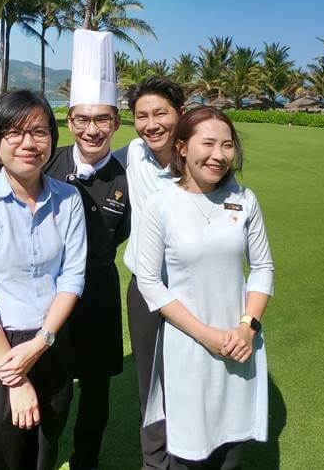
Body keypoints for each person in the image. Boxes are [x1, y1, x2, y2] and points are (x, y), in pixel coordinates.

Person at [0, 89, 87, 470]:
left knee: (44, 453)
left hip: (51, 344)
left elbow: (72, 276)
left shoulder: (69, 199)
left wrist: (42, 341)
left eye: (40, 131)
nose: (29, 143)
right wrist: (15, 379)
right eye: (14, 132)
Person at [137, 106, 274, 469]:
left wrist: (248, 327)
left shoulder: (245, 200)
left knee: (231, 451)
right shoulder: (161, 204)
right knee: (189, 450)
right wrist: (204, 334)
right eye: (208, 143)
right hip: (188, 345)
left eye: (227, 145)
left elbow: (262, 267)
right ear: (181, 147)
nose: (219, 155)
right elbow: (149, 281)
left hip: (239, 345)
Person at [44, 30, 130, 470]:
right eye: (81, 119)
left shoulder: (127, 178)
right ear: (69, 119)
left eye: (102, 119)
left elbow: (127, 235)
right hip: (43, 295)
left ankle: (86, 460)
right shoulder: (46, 163)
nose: (91, 129)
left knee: (96, 387)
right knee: (47, 380)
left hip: (98, 293)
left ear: (116, 121)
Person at [114, 76, 185, 470]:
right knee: (149, 384)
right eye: (142, 115)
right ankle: (155, 463)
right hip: (144, 290)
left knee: (191, 378)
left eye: (161, 113)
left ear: (180, 113)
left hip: (191, 290)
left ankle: (193, 455)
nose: (151, 124)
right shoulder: (132, 154)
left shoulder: (199, 158)